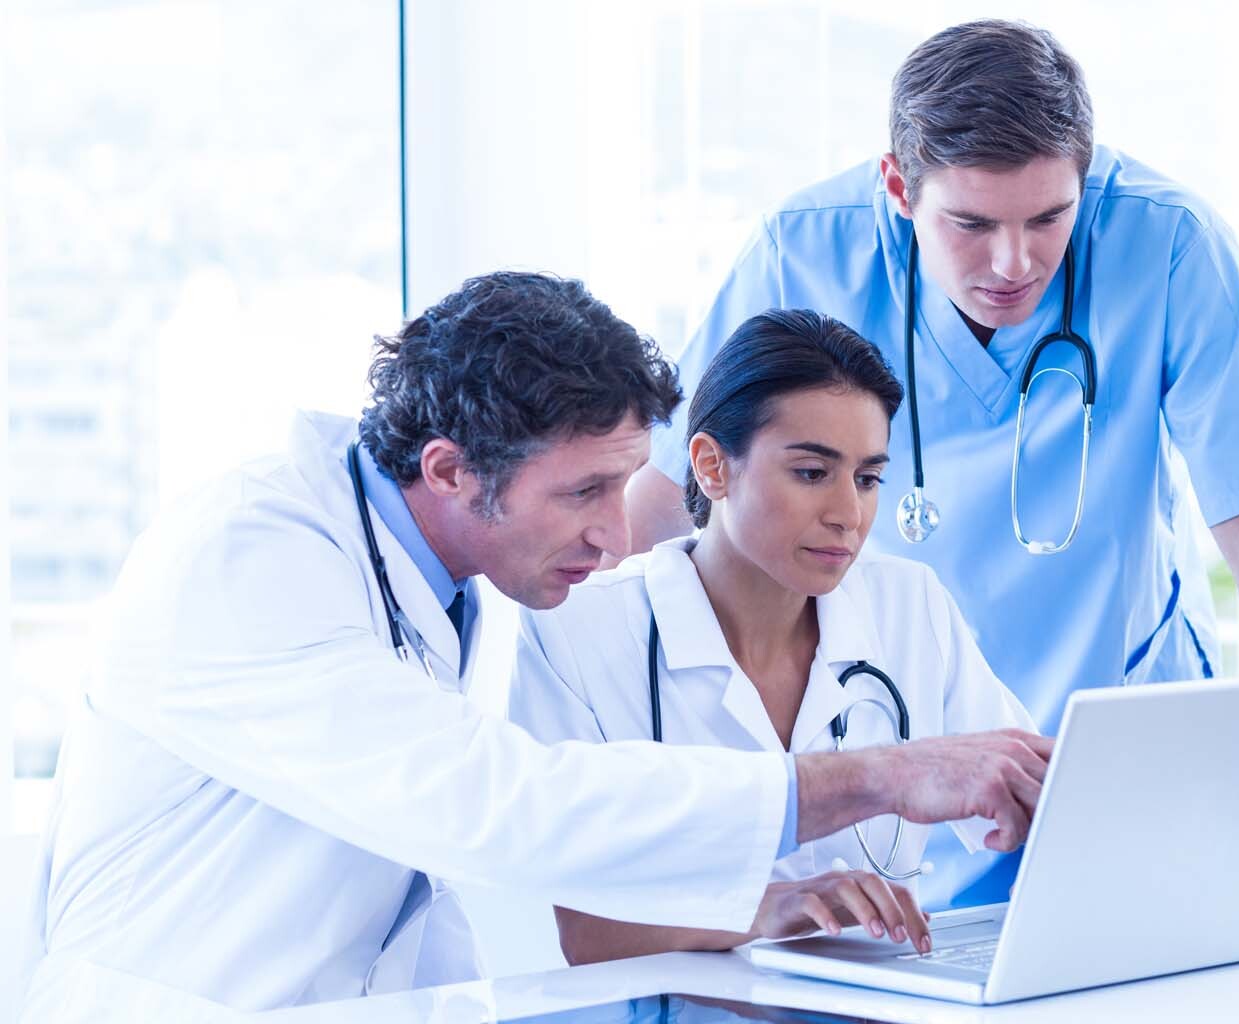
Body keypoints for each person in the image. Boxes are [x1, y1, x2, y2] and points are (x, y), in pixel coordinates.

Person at [620, 20, 1239, 904]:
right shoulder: (804, 250)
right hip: (902, 746)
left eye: (1050, 218)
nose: (1014, 262)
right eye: (970, 223)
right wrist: (719, 763)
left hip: (1126, 741)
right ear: (897, 185)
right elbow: (664, 501)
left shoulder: (1169, 244)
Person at [20, 272, 1053, 1017]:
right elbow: (500, 805)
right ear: (453, 469)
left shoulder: (432, 580)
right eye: (585, 493)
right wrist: (869, 778)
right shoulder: (252, 558)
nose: (617, 532)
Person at [512, 310, 1047, 965]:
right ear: (712, 466)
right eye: (811, 473)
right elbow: (585, 933)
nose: (848, 514)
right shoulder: (572, 633)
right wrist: (770, 908)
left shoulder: (910, 605)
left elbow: (1035, 801)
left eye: (868, 478)